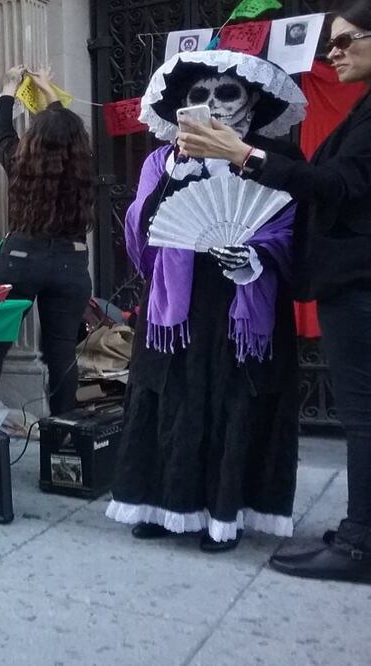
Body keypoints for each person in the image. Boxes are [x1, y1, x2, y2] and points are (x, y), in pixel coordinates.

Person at [178, 1, 371, 582]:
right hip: (344, 282)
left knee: (362, 417)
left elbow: (337, 185)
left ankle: (360, 544)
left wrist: (245, 155)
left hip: (357, 284)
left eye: (345, 41)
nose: (332, 53)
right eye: (328, 44)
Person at [106, 50, 306, 552]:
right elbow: (140, 232)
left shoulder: (271, 162)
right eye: (200, 96)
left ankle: (224, 515)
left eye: (227, 93)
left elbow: (292, 230)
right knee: (169, 399)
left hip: (243, 304)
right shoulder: (162, 161)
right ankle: (160, 505)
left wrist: (254, 258)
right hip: (174, 306)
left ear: (251, 101)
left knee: (232, 403)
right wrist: (179, 172)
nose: (214, 105)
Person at [0, 66, 94, 425]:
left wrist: (9, 89)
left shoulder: (21, 164)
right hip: (71, 261)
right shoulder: (83, 169)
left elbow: (2, 130)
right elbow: (63, 127)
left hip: (20, 257)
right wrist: (47, 87)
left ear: (35, 138)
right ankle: (65, 429)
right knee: (61, 348)